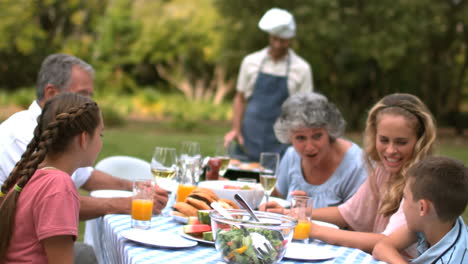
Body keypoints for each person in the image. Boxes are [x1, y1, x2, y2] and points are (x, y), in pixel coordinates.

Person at [262, 93, 437, 256]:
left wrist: (312, 229)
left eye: (401, 142)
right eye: (384, 140)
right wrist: (292, 213)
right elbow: (347, 213)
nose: (390, 151)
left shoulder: (421, 185)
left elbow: (387, 242)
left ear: (420, 141)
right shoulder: (384, 171)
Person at [0, 54, 168, 219]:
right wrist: (128, 203)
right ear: (51, 93)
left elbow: (86, 176)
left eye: (90, 95)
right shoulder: (21, 135)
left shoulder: (55, 132)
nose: (90, 103)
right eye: (82, 94)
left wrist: (135, 187)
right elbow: (48, 204)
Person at [0, 93, 102, 263]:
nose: (101, 141)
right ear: (83, 139)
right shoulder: (59, 186)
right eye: (101, 134)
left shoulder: (30, 171)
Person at [224, 7, 313, 162]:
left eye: (283, 41)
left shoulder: (302, 68)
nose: (278, 44)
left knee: (274, 184)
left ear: (290, 40)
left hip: (281, 144)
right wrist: (235, 130)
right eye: (274, 39)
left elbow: (304, 110)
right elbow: (240, 98)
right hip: (248, 139)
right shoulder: (251, 61)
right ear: (269, 37)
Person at [261, 92, 367, 208]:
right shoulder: (292, 155)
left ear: (330, 131)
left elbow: (356, 220)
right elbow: (278, 198)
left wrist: (302, 213)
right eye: (301, 138)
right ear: (289, 136)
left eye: (317, 136)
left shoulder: (357, 165)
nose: (310, 147)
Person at [372, 156, 467, 264]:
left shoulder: (451, 260)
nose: (402, 205)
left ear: (422, 207)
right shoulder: (439, 221)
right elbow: (381, 247)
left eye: (405, 197)